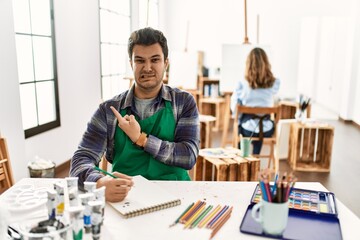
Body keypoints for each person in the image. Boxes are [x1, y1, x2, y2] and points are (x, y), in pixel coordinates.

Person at [70, 27, 200, 202]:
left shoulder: (183, 102)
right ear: (131, 64)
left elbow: (188, 156)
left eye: (155, 60)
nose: (147, 68)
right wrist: (100, 182)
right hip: (126, 198)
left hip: (176, 194)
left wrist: (142, 139)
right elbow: (80, 160)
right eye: (140, 60)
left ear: (166, 63)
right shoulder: (109, 110)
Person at [230, 47, 280, 154]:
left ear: (248, 64)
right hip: (267, 130)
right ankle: (256, 155)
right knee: (260, 123)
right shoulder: (275, 83)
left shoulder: (242, 84)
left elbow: (234, 110)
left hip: (247, 130)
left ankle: (242, 156)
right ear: (266, 64)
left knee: (241, 125)